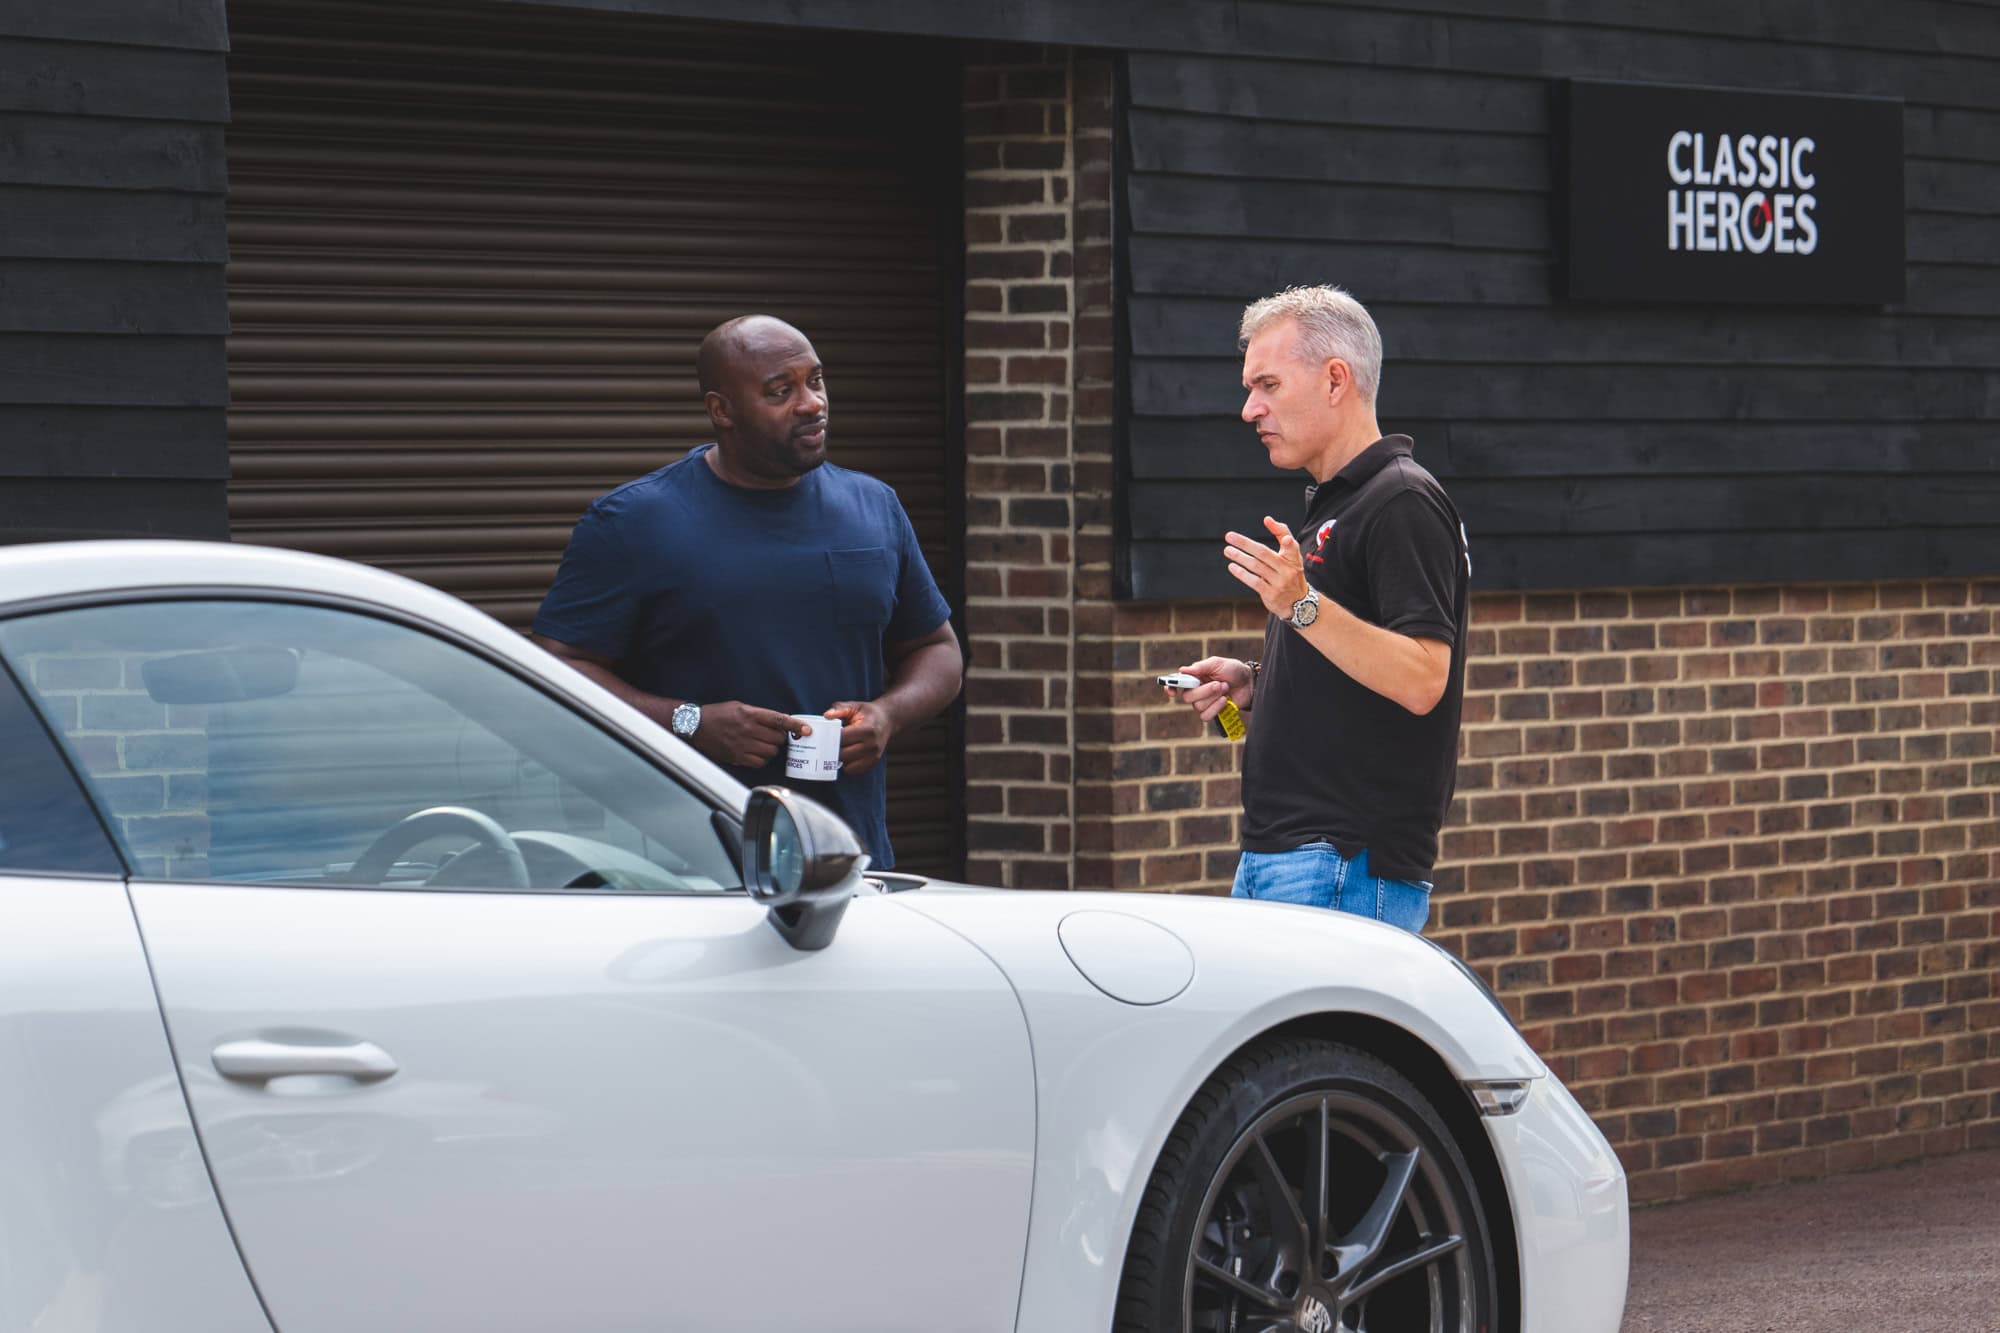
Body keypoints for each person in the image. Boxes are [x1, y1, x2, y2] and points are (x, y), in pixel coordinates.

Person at [531, 315, 962, 870]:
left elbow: (938, 650)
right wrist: (691, 722)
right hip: (684, 873)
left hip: (846, 860)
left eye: (817, 381)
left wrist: (887, 715)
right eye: (781, 391)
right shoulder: (635, 521)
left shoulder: (873, 507)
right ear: (722, 410)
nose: (812, 404)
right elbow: (556, 669)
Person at [1168, 285, 1470, 933]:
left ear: (1336, 380)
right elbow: (1347, 683)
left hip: (1340, 863)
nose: (1250, 408)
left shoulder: (1401, 501)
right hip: (1282, 859)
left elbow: (1423, 679)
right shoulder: (1339, 506)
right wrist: (1247, 692)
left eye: (1268, 384)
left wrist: (1300, 606)